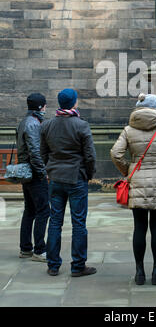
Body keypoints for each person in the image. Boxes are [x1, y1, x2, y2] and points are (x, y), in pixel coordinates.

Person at [110, 93, 156, 286]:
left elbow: (116, 153)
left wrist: (129, 169)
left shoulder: (128, 130)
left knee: (139, 227)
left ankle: (139, 271)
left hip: (137, 181)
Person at [41, 88, 97, 277]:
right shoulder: (81, 125)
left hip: (55, 178)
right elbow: (90, 156)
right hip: (76, 178)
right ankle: (78, 265)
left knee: (55, 222)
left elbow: (43, 153)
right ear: (74, 103)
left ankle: (53, 265)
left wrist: (49, 170)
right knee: (78, 223)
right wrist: (88, 174)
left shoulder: (47, 125)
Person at [18, 93, 50, 262]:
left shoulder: (24, 121)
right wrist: (43, 172)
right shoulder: (32, 124)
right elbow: (35, 152)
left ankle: (25, 249)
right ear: (40, 107)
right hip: (34, 174)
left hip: (26, 172)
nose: (45, 108)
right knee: (43, 211)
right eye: (44, 105)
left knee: (29, 210)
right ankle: (39, 249)